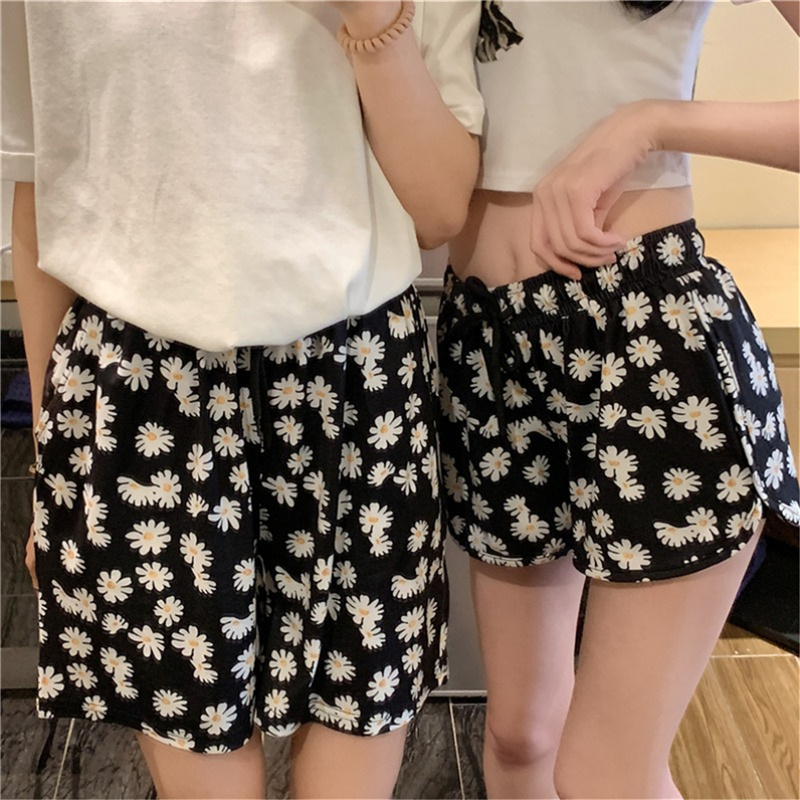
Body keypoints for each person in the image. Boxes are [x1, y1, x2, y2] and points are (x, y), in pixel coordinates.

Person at [2, 1, 483, 797]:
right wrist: (55, 465)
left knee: (357, 731)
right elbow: (39, 190)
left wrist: (370, 15)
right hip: (145, 395)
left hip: (357, 385)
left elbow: (439, 209)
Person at [437, 1, 800, 797]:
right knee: (521, 735)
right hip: (491, 343)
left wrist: (654, 122)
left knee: (608, 774)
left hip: (646, 338)